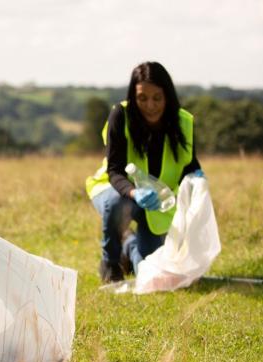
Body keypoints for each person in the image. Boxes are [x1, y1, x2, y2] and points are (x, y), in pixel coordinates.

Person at [85, 62, 204, 283]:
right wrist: (134, 193)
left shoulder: (184, 122)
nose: (150, 105)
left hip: (156, 202)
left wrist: (198, 176)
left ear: (167, 96)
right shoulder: (120, 115)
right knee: (117, 203)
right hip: (117, 191)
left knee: (151, 276)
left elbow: (189, 164)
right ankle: (110, 264)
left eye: (157, 98)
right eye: (142, 98)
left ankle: (129, 246)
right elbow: (114, 170)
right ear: (133, 96)